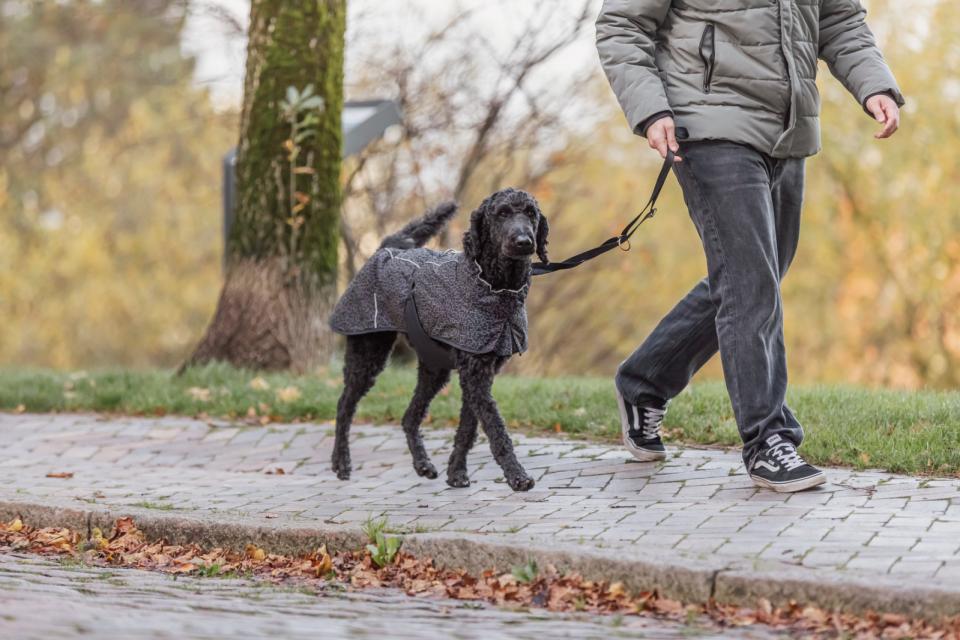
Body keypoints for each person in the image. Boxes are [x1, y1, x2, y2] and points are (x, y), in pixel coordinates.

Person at [596, 0, 903, 492]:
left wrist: (874, 84)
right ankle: (767, 440)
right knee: (749, 281)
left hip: (787, 131)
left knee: (758, 273)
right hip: (708, 122)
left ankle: (644, 382)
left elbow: (840, 19)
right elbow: (622, 24)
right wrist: (651, 108)